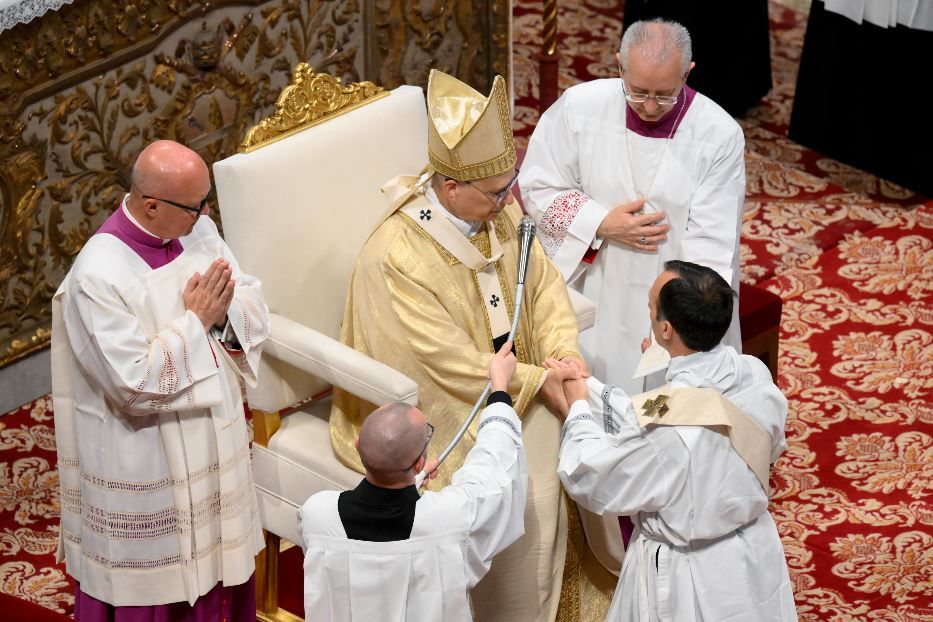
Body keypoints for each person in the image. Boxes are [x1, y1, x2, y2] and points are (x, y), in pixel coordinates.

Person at [330, 69, 612, 621]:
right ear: (450, 187)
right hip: (448, 401)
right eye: (496, 192)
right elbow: (437, 359)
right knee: (537, 472)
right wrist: (537, 382)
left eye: (509, 187)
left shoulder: (491, 209)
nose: (509, 202)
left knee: (588, 423)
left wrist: (561, 353)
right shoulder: (398, 258)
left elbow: (545, 283)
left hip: (518, 375)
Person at [51, 140, 269, 620]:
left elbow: (248, 298)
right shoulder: (98, 276)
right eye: (195, 205)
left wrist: (220, 315)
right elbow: (131, 385)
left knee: (218, 563)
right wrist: (196, 323)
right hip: (148, 455)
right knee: (156, 588)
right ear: (151, 204)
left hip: (213, 439)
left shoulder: (198, 230)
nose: (205, 214)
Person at [548, 260, 796, 621]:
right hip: (752, 556)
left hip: (688, 576)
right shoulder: (752, 373)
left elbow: (592, 476)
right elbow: (678, 410)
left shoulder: (665, 432)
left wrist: (578, 411)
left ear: (666, 329)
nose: (647, 311)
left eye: (651, 306)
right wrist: (593, 391)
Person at [519, 18, 746, 395]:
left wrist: (677, 324)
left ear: (688, 73)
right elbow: (538, 185)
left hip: (668, 301)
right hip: (594, 281)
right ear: (619, 66)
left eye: (666, 94)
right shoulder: (580, 107)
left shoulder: (718, 135)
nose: (651, 107)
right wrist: (598, 222)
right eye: (638, 92)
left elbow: (711, 244)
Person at [300, 343, 526, 620]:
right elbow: (494, 471)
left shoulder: (317, 515)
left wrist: (412, 482)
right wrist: (500, 387)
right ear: (420, 462)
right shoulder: (451, 518)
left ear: (357, 445)